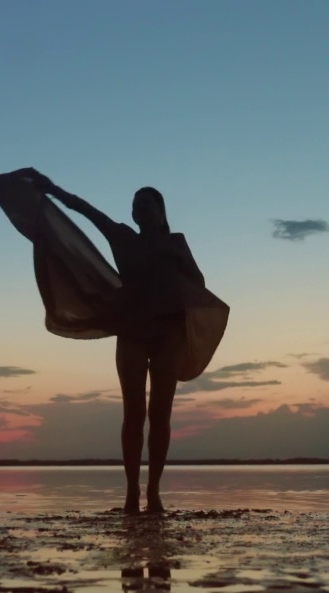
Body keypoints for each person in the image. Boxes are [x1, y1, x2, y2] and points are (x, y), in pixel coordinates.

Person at [11, 169, 208, 515]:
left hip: (167, 335)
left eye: (146, 204)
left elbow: (198, 282)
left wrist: (172, 284)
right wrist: (52, 189)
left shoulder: (175, 243)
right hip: (132, 334)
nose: (139, 210)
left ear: (161, 211)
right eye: (135, 206)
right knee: (134, 414)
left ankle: (154, 493)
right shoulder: (122, 237)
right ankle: (132, 493)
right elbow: (86, 211)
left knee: (160, 414)